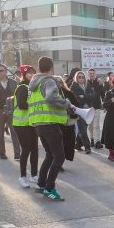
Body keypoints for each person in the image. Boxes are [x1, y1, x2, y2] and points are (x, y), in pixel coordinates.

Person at [29, 57, 76, 201]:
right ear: (51, 68)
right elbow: (51, 97)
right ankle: (49, 188)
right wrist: (66, 103)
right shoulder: (48, 81)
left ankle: (41, 184)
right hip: (50, 123)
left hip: (39, 123)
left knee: (50, 154)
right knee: (59, 156)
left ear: (39, 67)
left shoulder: (34, 83)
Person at [11, 65, 39, 188]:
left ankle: (34, 175)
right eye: (29, 73)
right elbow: (22, 105)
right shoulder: (22, 87)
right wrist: (36, 105)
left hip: (32, 122)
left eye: (33, 73)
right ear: (24, 74)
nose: (32, 75)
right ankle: (22, 176)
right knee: (26, 149)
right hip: (21, 123)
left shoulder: (33, 87)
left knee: (35, 149)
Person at [70, 71, 94, 154]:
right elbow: (76, 99)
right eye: (79, 77)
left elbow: (92, 96)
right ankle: (87, 147)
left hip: (88, 110)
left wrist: (84, 96)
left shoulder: (88, 85)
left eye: (82, 77)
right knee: (83, 129)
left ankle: (77, 144)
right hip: (79, 110)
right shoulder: (73, 86)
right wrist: (85, 97)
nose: (81, 78)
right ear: (76, 78)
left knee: (83, 129)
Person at [87, 68, 106, 149]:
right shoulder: (86, 83)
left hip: (97, 107)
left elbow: (103, 94)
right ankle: (92, 139)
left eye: (93, 73)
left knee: (96, 125)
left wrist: (104, 104)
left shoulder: (99, 83)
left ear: (95, 74)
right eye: (90, 73)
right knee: (90, 126)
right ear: (88, 74)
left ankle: (97, 142)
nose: (92, 75)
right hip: (88, 108)